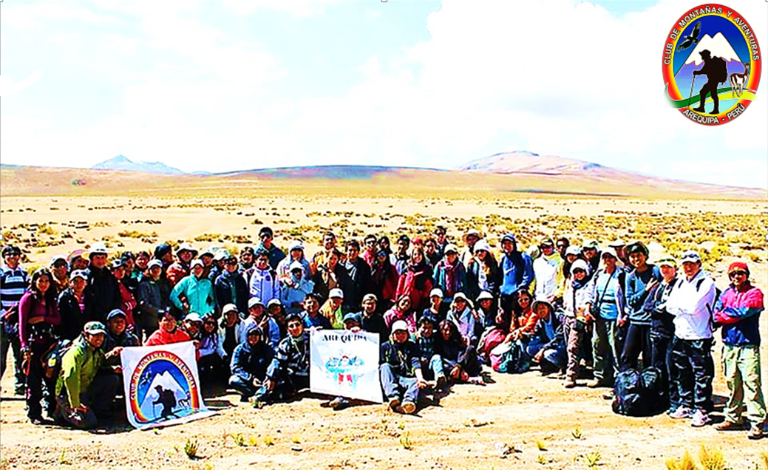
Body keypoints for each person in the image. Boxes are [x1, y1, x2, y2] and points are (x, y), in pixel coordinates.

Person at [713, 261, 765, 439]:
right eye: (733, 274)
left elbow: (746, 311)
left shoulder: (755, 293)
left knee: (752, 382)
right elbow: (716, 313)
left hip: (748, 345)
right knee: (732, 382)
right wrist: (728, 315)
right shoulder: (726, 293)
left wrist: (726, 315)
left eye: (741, 273)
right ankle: (733, 417)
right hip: (729, 344)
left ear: (747, 275)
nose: (737, 277)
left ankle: (757, 422)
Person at [666, 250, 716, 427]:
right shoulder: (680, 282)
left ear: (699, 265)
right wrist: (682, 307)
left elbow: (694, 307)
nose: (688, 267)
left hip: (699, 335)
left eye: (692, 264)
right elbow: (670, 306)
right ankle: (686, 404)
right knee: (682, 371)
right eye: (685, 264)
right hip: (681, 333)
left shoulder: (706, 283)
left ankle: (702, 409)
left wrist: (681, 307)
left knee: (701, 373)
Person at [55, 322, 120, 429]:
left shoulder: (96, 350)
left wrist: (112, 356)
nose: (99, 338)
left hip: (84, 390)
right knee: (88, 423)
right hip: (68, 394)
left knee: (111, 380)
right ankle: (62, 412)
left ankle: (98, 411)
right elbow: (70, 378)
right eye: (95, 335)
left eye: (101, 335)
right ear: (85, 335)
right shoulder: (76, 352)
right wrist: (75, 404)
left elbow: (100, 363)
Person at [19, 268, 61, 423]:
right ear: (34, 281)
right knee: (33, 380)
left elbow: (57, 320)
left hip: (48, 344)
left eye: (46, 281)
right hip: (32, 344)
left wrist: (41, 318)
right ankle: (34, 413)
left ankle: (51, 410)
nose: (43, 284)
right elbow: (23, 324)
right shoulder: (28, 299)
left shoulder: (51, 299)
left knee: (50, 377)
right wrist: (24, 346)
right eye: (40, 280)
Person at [252, 314, 311, 407]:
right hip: (293, 376)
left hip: (311, 376)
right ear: (287, 329)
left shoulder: (313, 338)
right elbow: (279, 362)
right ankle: (259, 396)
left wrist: (321, 334)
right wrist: (271, 377)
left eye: (297, 324)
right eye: (291, 326)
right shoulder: (285, 344)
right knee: (275, 370)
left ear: (302, 325)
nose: (295, 328)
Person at [587, 247, 626, 389]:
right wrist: (589, 308)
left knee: (616, 348)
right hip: (600, 316)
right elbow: (591, 292)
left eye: (610, 257)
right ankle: (600, 376)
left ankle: (618, 379)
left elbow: (625, 296)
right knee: (597, 346)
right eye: (605, 257)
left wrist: (624, 315)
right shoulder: (599, 275)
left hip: (615, 317)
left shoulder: (621, 275)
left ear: (615, 259)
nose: (607, 260)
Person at [620, 241, 662, 371]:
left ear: (645, 256)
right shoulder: (630, 277)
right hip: (636, 321)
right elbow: (630, 301)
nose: (636, 259)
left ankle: (651, 387)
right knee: (628, 356)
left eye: (639, 255)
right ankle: (626, 386)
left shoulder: (655, 271)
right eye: (632, 256)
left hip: (651, 322)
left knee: (650, 358)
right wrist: (645, 290)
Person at [647, 256, 680, 412]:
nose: (665, 270)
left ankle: (674, 401)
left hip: (672, 333)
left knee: (671, 368)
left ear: (675, 269)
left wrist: (663, 308)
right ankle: (659, 398)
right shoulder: (658, 286)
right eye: (663, 267)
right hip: (657, 331)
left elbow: (677, 307)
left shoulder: (679, 286)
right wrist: (659, 307)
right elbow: (647, 305)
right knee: (657, 367)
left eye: (668, 267)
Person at [379, 320, 427, 414]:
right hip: (390, 379)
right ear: (392, 334)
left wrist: (420, 379)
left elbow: (415, 362)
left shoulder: (412, 346)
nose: (400, 336)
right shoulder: (385, 346)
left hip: (406, 378)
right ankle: (393, 398)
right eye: (397, 333)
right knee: (384, 366)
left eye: (403, 333)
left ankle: (408, 402)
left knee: (415, 381)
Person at [1, 245, 30, 396]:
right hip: (2, 320)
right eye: (9, 254)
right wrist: (3, 314)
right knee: (1, 354)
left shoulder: (24, 274)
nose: (12, 257)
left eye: (15, 254)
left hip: (19, 320)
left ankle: (21, 385)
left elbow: (27, 295)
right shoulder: (1, 274)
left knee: (19, 354)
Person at [561, 260, 595, 388]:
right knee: (569, 346)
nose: (579, 274)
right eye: (576, 271)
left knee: (573, 347)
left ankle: (571, 375)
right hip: (568, 316)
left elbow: (588, 299)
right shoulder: (571, 284)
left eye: (581, 271)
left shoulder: (589, 285)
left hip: (580, 318)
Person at [229, 325, 275, 402]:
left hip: (263, 380)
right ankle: (259, 394)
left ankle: (258, 395)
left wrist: (268, 378)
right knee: (233, 380)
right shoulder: (239, 349)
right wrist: (251, 378)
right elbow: (235, 367)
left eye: (256, 335)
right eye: (251, 334)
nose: (253, 337)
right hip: (247, 380)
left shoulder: (266, 349)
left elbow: (272, 364)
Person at [437, 320, 484, 385]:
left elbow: (461, 353)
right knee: (444, 366)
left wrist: (459, 366)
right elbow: (442, 357)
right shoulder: (437, 341)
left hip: (461, 364)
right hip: (450, 365)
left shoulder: (454, 339)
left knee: (471, 349)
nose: (448, 333)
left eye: (450, 331)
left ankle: (464, 376)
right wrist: (456, 367)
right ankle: (465, 378)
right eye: (445, 330)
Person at [84, 242, 121, 324]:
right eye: (97, 258)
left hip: (110, 318)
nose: (100, 261)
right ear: (91, 259)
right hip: (91, 319)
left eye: (103, 257)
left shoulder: (110, 277)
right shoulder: (86, 276)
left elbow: (117, 296)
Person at [498, 234, 534, 316]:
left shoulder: (523, 257)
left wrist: (521, 288)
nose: (507, 246)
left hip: (517, 295)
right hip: (504, 295)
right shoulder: (503, 259)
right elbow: (500, 276)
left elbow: (528, 275)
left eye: (509, 243)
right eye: (504, 244)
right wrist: (500, 288)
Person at [528, 300, 566, 375]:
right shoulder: (541, 322)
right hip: (551, 345)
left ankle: (564, 366)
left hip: (562, 346)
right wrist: (523, 335)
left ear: (548, 308)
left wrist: (544, 349)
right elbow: (534, 335)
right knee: (530, 348)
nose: (541, 311)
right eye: (538, 309)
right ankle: (549, 365)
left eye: (543, 308)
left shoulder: (559, 317)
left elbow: (559, 338)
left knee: (548, 353)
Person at [137, 259, 171, 338]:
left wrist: (167, 310)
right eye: (153, 268)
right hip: (150, 322)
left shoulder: (164, 284)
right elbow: (143, 303)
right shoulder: (144, 285)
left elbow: (167, 299)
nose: (155, 270)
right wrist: (158, 311)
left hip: (164, 320)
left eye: (157, 268)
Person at [396, 247, 433, 314]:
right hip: (405, 301)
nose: (417, 256)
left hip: (418, 303)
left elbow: (428, 287)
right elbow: (400, 284)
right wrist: (398, 296)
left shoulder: (427, 270)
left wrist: (424, 301)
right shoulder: (407, 269)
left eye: (419, 254)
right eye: (415, 254)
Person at [57, 270, 89, 341]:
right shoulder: (64, 297)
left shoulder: (90, 297)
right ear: (70, 283)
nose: (79, 284)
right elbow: (61, 319)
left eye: (81, 281)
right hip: (69, 336)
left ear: (86, 283)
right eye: (75, 281)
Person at [343, 239, 372, 313]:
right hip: (343, 301)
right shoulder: (340, 266)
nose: (352, 253)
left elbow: (368, 285)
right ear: (346, 251)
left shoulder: (364, 266)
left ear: (358, 252)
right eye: (350, 250)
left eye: (355, 250)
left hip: (358, 303)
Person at [692, 49, 724, 114]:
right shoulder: (708, 61)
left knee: (706, 93)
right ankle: (713, 109)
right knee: (712, 94)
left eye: (702, 55)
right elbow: (704, 70)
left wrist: (696, 72)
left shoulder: (709, 62)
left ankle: (704, 108)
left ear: (705, 55)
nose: (701, 56)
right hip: (713, 80)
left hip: (713, 81)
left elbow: (704, 71)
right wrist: (697, 72)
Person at [198, 314, 227, 383]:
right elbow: (197, 351)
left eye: (213, 324)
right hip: (198, 358)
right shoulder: (198, 334)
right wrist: (209, 351)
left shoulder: (215, 335)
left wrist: (224, 356)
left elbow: (218, 346)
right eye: (208, 323)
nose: (211, 326)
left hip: (207, 357)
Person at [533, 238, 563, 304]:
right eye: (543, 247)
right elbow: (534, 280)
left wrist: (556, 295)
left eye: (548, 247)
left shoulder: (560, 261)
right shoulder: (537, 262)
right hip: (538, 297)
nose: (545, 249)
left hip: (552, 298)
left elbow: (562, 281)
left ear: (552, 247)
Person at [111, 259, 138, 332]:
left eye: (123, 269)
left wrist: (130, 304)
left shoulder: (124, 283)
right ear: (112, 271)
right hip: (119, 321)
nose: (121, 272)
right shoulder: (111, 286)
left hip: (129, 318)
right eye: (118, 270)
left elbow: (133, 301)